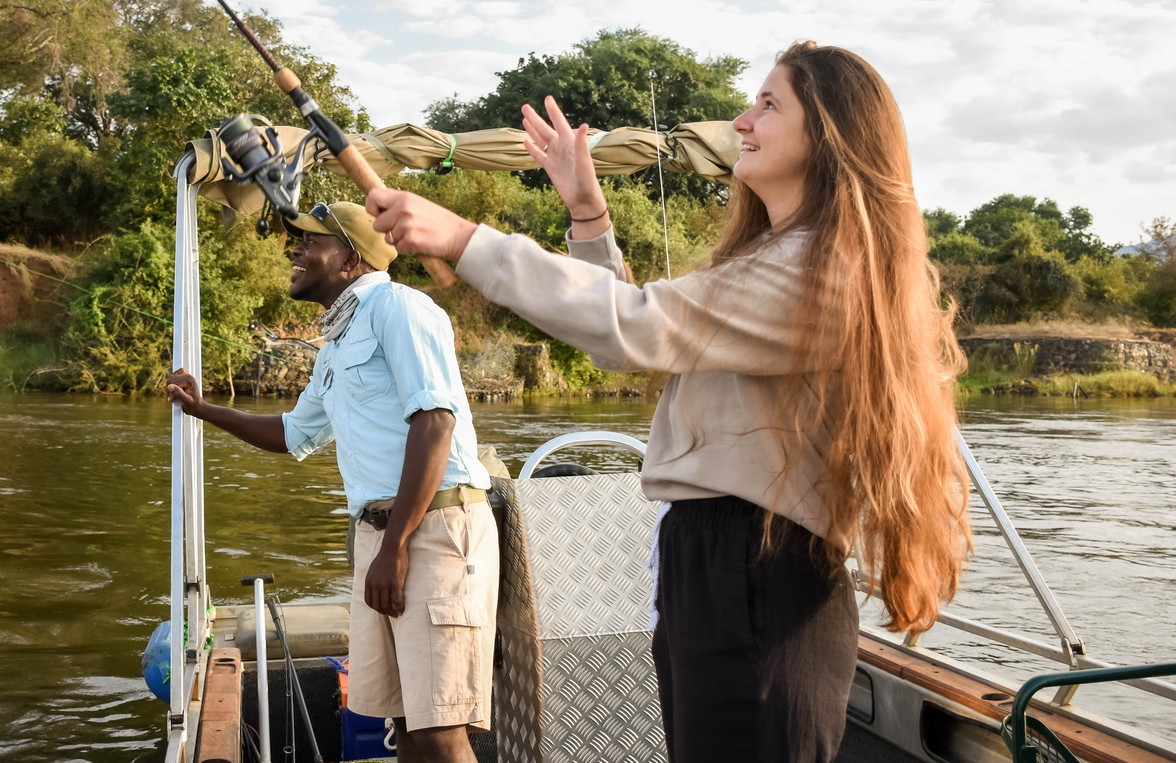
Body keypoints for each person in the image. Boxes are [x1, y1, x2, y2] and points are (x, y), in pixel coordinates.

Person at [365, 42, 971, 763]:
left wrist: (465, 239)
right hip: (715, 561)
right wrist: (588, 215)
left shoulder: (818, 271)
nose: (741, 121)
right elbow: (629, 334)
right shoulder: (781, 259)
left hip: (756, 565)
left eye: (769, 104)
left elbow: (641, 324)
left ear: (832, 133)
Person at [165, 201, 497, 763]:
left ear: (351, 256)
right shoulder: (337, 341)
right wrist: (203, 411)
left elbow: (435, 422)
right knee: (405, 723)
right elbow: (294, 433)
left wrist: (394, 547)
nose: (295, 249)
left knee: (441, 726)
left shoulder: (401, 309)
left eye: (311, 241)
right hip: (381, 536)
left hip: (435, 531)